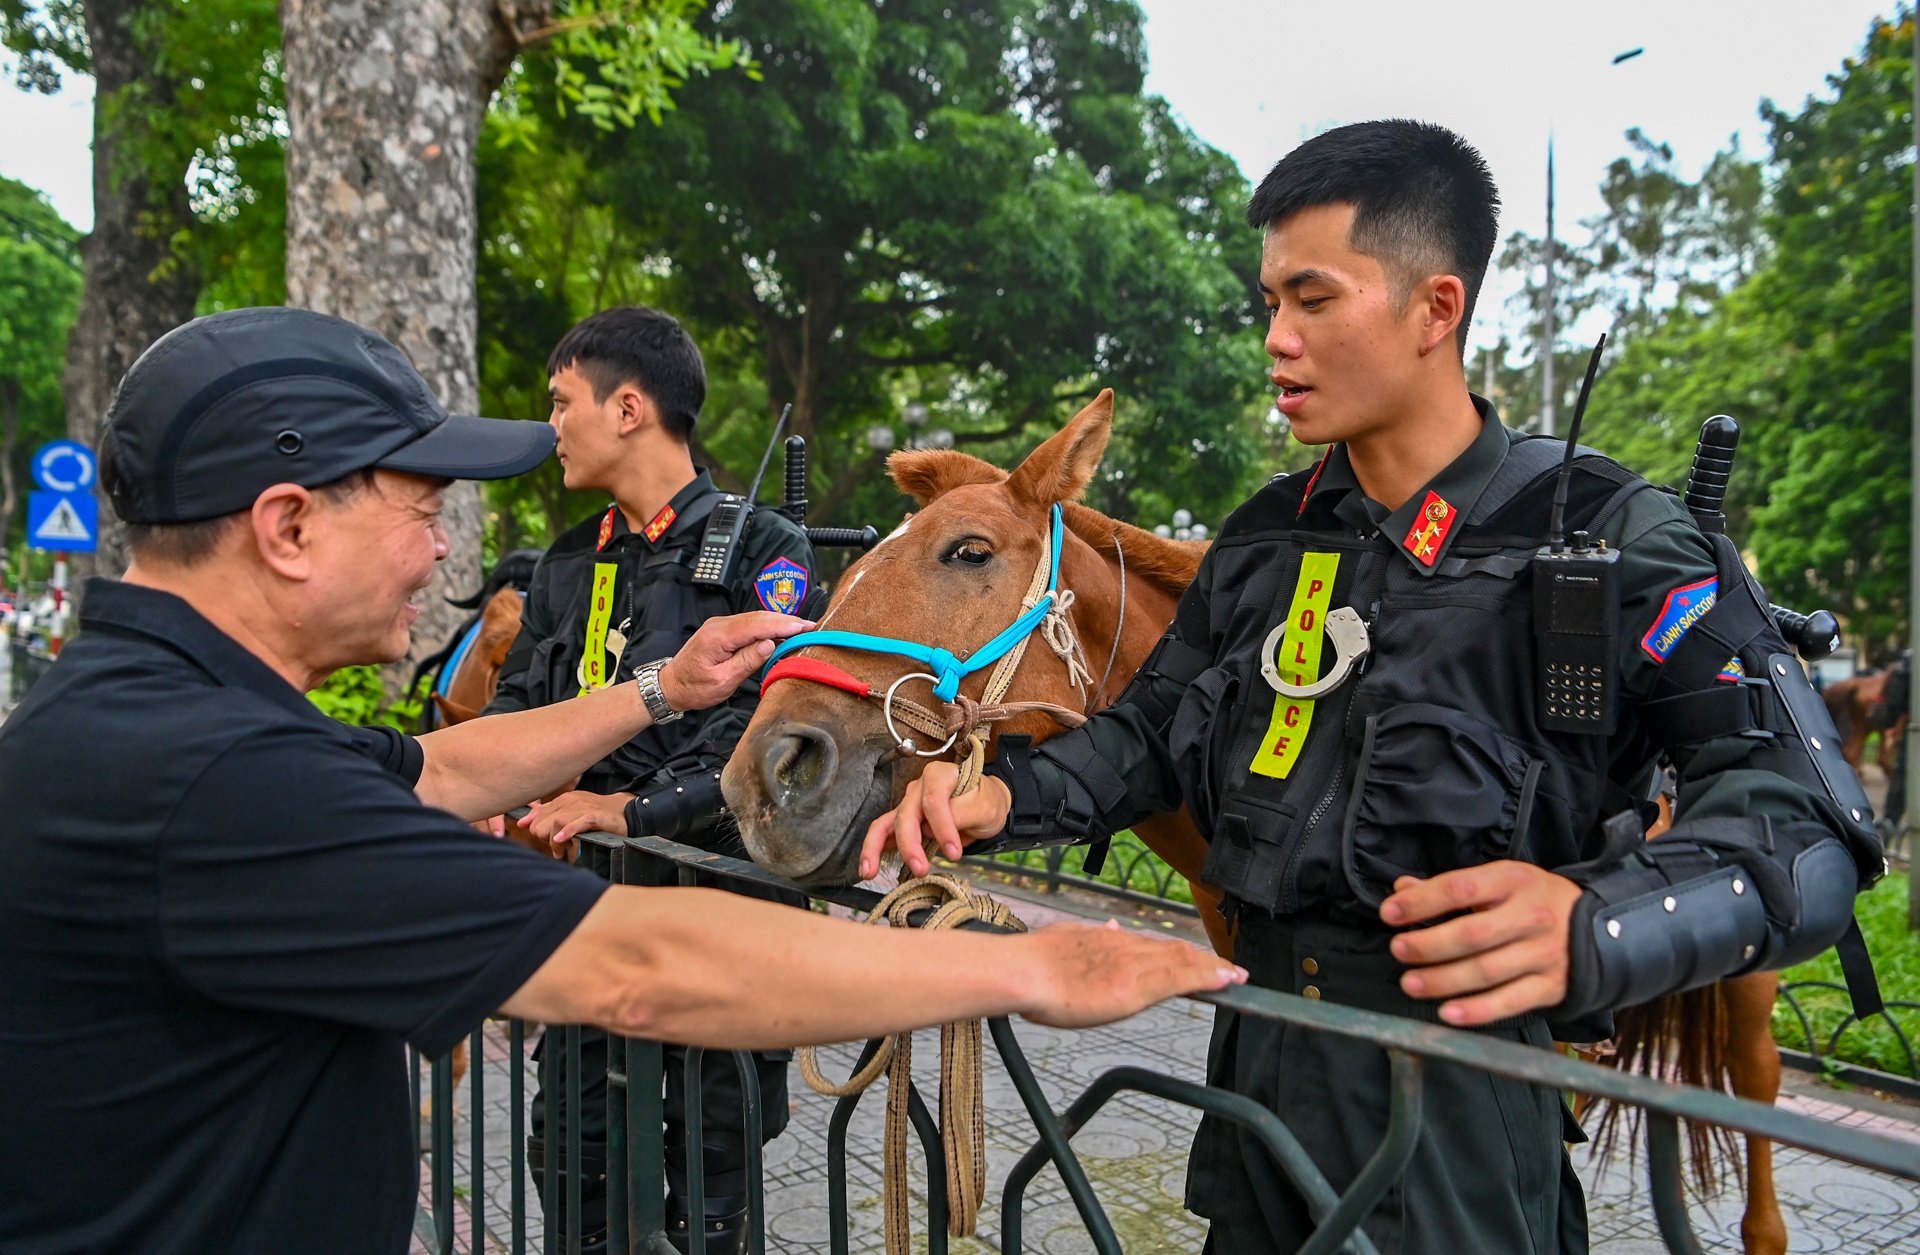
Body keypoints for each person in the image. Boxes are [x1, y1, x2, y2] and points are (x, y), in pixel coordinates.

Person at [0, 307, 1244, 1255]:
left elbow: (440, 763)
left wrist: (667, 688)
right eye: (421, 507)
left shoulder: (153, 709)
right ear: (285, 527)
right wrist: (1028, 966)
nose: (444, 546)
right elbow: (635, 968)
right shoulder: (215, 772)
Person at [861, 121, 1882, 1255]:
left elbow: (1813, 827)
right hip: (1253, 1082)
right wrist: (1007, 794)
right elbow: (1156, 733)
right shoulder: (1265, 539)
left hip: (1456, 1119)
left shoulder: (1611, 535)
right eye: (1268, 304)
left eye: (1312, 299)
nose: (1276, 341)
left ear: (1435, 308)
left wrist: (1604, 923)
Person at [475, 305, 827, 1254]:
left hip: (725, 910)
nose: (551, 425)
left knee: (715, 1178)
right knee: (572, 1154)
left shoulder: (763, 552)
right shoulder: (566, 560)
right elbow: (519, 706)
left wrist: (626, 808)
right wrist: (479, 784)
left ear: (628, 407)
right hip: (589, 915)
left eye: (562, 402)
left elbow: (767, 741)